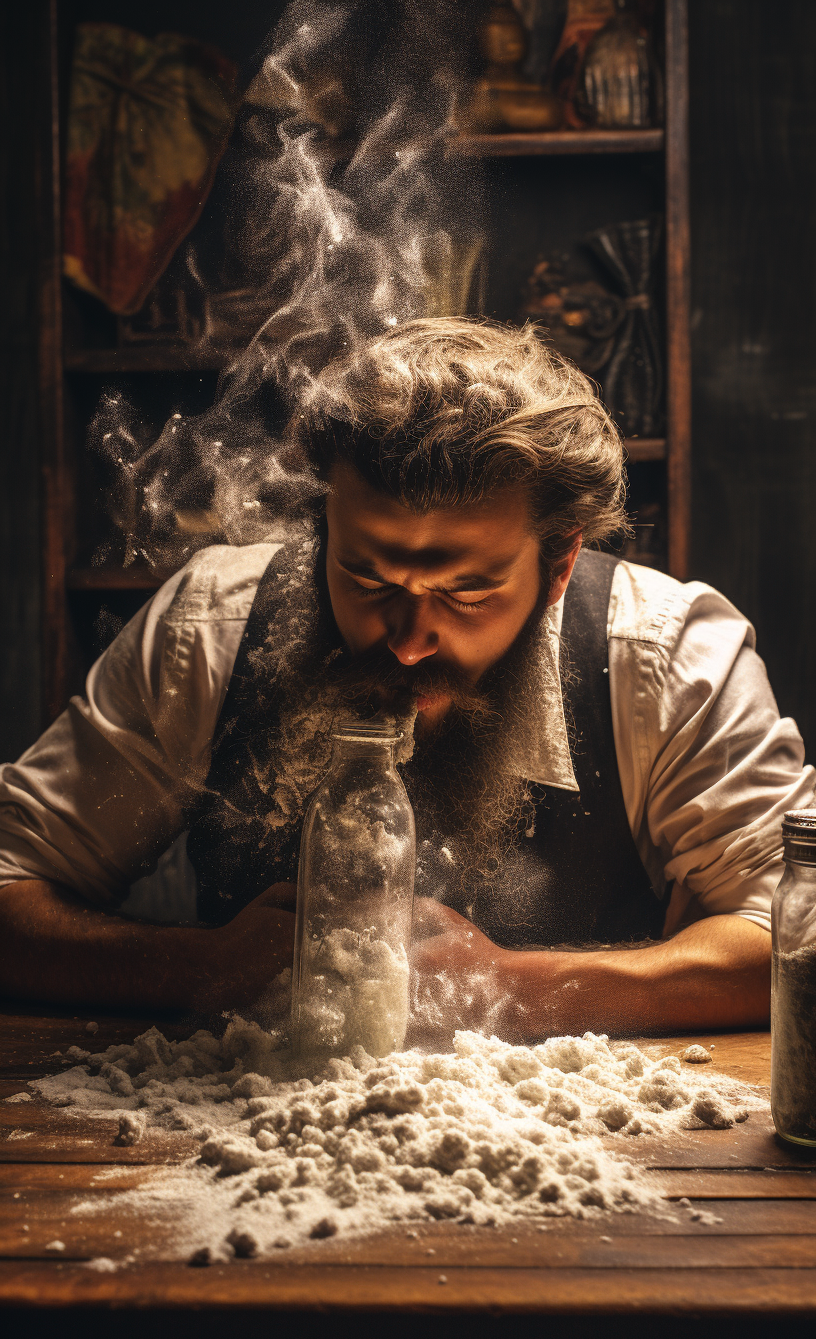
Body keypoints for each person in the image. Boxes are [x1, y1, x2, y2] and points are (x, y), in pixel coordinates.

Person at [0, 319, 812, 1037]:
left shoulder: (666, 656)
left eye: (467, 591)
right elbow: (12, 883)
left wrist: (513, 987)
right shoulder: (209, 625)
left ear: (559, 562)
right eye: (368, 577)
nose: (411, 641)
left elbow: (792, 930)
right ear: (325, 526)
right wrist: (195, 967)